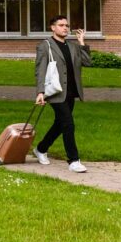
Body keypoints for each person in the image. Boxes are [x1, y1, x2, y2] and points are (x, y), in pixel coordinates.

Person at [34, 14, 92, 173]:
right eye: (61, 25)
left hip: (71, 92)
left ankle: (41, 148)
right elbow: (40, 70)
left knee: (60, 124)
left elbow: (87, 62)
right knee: (68, 124)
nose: (65, 28)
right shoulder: (45, 46)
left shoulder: (72, 46)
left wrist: (81, 42)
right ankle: (74, 161)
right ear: (53, 27)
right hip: (56, 92)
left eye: (67, 25)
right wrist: (40, 92)